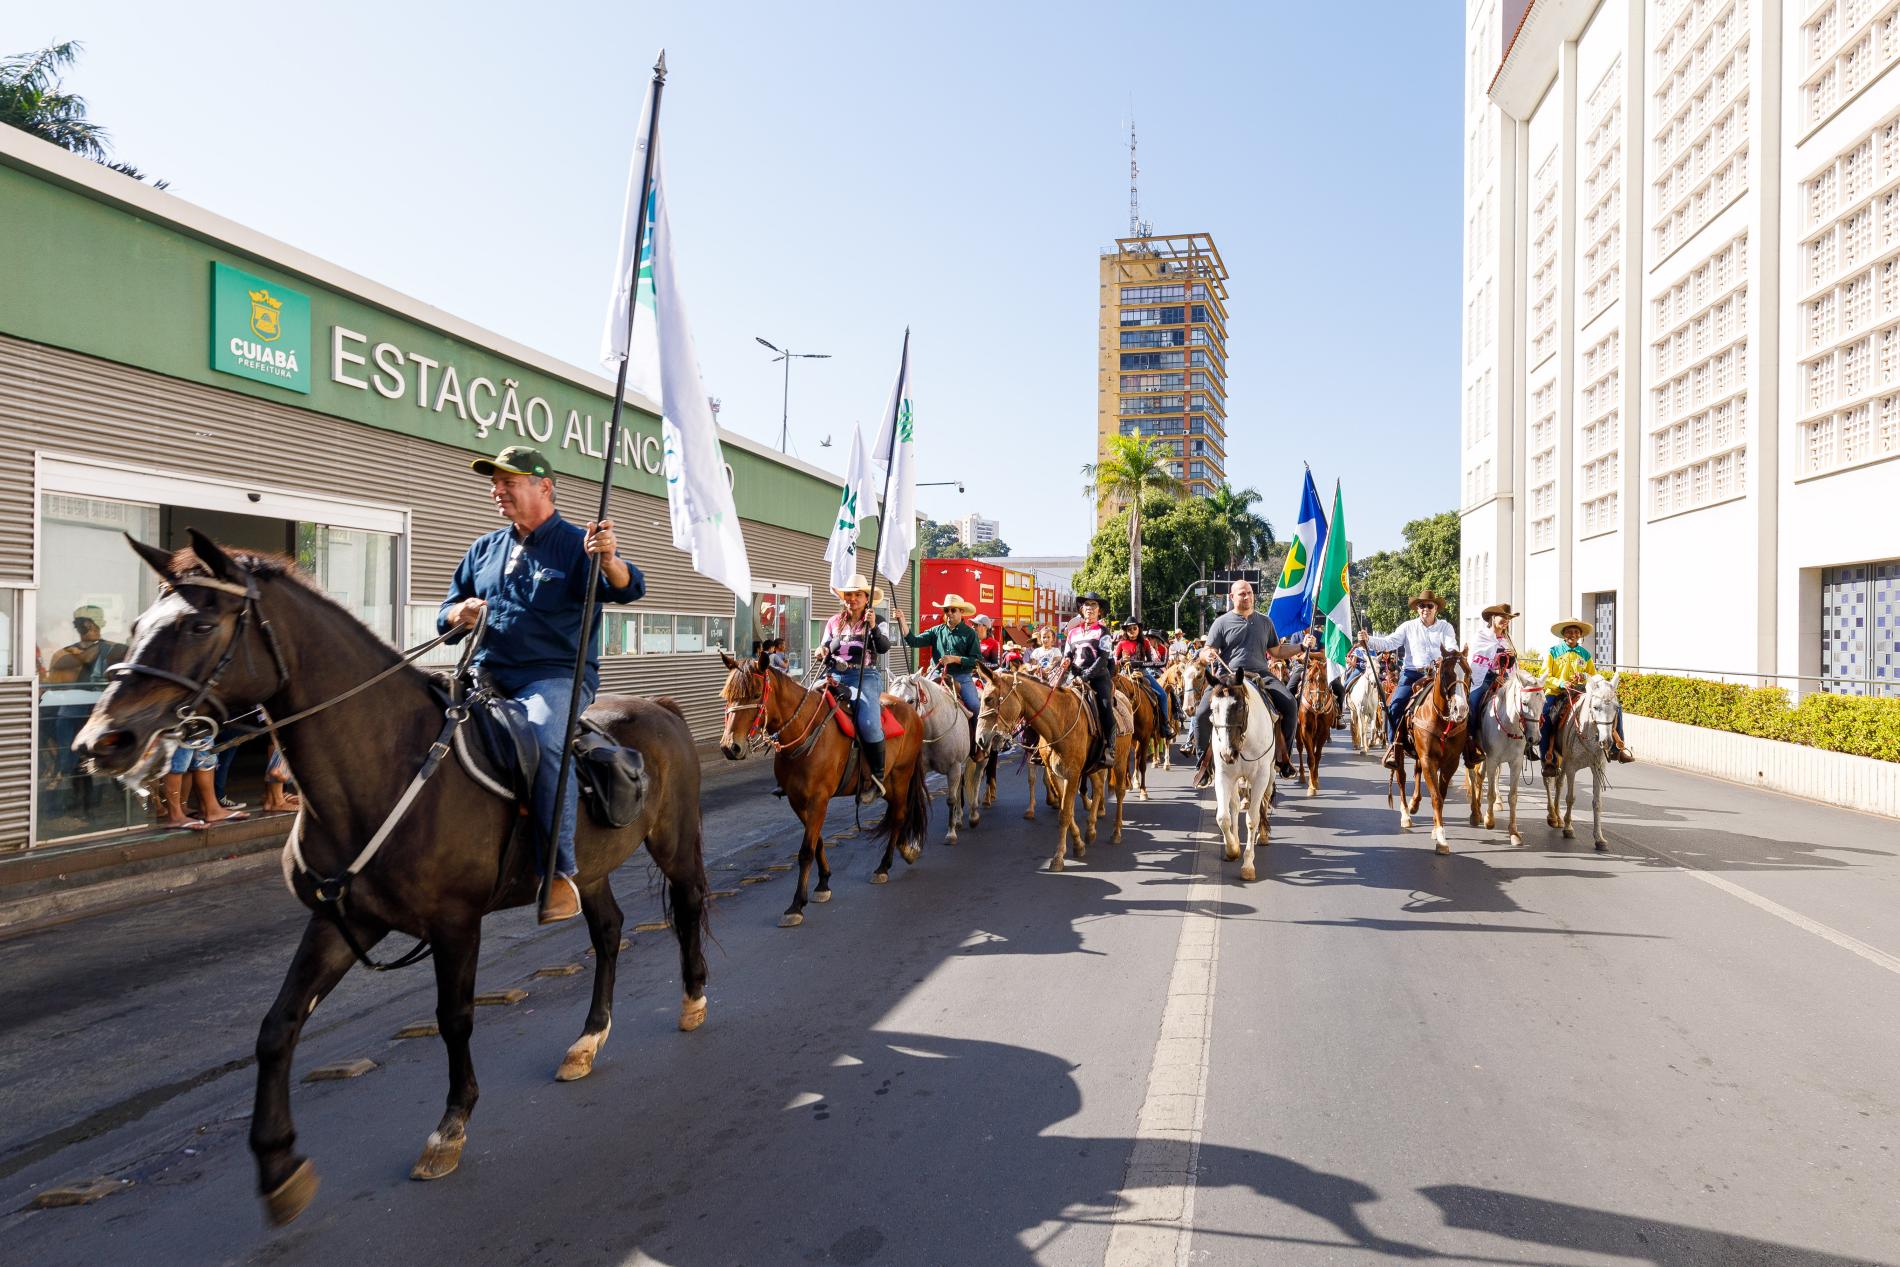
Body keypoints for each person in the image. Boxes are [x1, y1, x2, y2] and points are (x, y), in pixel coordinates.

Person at [440, 445, 645, 924]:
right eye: (495, 483)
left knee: (543, 737)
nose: (497, 491)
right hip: (484, 675)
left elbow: (629, 587)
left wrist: (609, 558)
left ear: (544, 487)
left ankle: (560, 872)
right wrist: (459, 612)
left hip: (552, 678)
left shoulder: (581, 544)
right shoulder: (483, 549)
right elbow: (445, 613)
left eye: (508, 482)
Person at [1192, 580, 1298, 787]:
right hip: (1227, 677)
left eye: (1249, 593)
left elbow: (1276, 651)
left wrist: (1301, 646)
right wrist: (1208, 654)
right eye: (1242, 594)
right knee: (1202, 713)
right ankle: (1203, 765)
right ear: (1232, 597)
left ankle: (1283, 758)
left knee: (1290, 704)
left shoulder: (1265, 622)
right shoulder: (1221, 623)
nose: (1247, 597)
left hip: (1261, 674)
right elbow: (1205, 651)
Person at [1357, 588, 1461, 772]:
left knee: (1460, 706)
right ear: (1417, 609)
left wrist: (1446, 656)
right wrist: (1368, 639)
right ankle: (1393, 747)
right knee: (1394, 707)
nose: (1425, 609)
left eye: (1429, 606)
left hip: (1438, 675)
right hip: (1412, 673)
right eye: (1421, 606)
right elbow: (1389, 642)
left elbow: (1452, 645)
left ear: (1436, 608)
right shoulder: (1408, 626)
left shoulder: (1446, 627)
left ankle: (1464, 746)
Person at [820, 574, 895, 802]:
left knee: (870, 724)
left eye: (858, 595)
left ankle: (877, 777)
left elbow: (883, 648)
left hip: (864, 675)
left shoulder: (877, 619)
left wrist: (873, 627)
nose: (852, 599)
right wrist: (820, 651)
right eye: (849, 595)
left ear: (866, 598)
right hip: (833, 674)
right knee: (803, 706)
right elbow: (824, 645)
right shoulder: (834, 621)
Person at [1539, 618, 1634, 771]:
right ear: (1564, 635)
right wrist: (1562, 683)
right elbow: (1545, 676)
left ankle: (1618, 748)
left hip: (1581, 692)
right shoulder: (1552, 652)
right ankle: (1548, 759)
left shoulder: (1585, 655)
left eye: (1576, 632)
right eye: (1569, 632)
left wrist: (1583, 677)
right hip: (1557, 693)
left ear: (1580, 635)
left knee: (1617, 708)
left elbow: (1594, 676)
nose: (1573, 634)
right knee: (1545, 717)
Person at [897, 593, 984, 719]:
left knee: (975, 705)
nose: (949, 613)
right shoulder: (936, 631)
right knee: (917, 700)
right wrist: (902, 621)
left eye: (953, 610)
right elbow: (913, 641)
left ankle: (977, 738)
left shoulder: (970, 634)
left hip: (962, 677)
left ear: (962, 612)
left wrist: (955, 659)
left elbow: (976, 661)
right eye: (946, 610)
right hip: (937, 674)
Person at [1468, 604, 1536, 762]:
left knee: (1525, 704)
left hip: (1506, 680)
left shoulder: (1507, 640)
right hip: (1483, 679)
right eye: (1503, 618)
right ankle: (1471, 744)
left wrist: (1512, 657)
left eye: (1508, 619)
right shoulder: (1480, 637)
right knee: (1473, 703)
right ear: (1493, 618)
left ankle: (1527, 743)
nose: (1506, 621)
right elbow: (1475, 661)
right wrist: (1493, 676)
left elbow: (1511, 666)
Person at [1056, 593, 1119, 760]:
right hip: (1074, 675)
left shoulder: (1103, 632)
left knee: (1105, 707)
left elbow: (1103, 659)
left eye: (1094, 605)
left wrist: (1084, 677)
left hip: (1098, 677)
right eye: (1086, 605)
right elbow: (1068, 653)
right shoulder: (1072, 633)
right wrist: (1066, 660)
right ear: (1081, 610)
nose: (1090, 608)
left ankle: (1110, 746)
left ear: (1099, 611)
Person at [1114, 618, 1173, 734]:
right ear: (1125, 631)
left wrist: (1138, 663)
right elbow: (1114, 662)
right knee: (1110, 695)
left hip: (1143, 672)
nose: (1132, 631)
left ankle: (1164, 725)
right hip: (1125, 674)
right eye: (1129, 629)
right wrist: (1122, 661)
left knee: (1162, 695)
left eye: (1134, 628)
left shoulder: (1145, 642)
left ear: (1139, 629)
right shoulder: (1120, 644)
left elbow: (1150, 661)